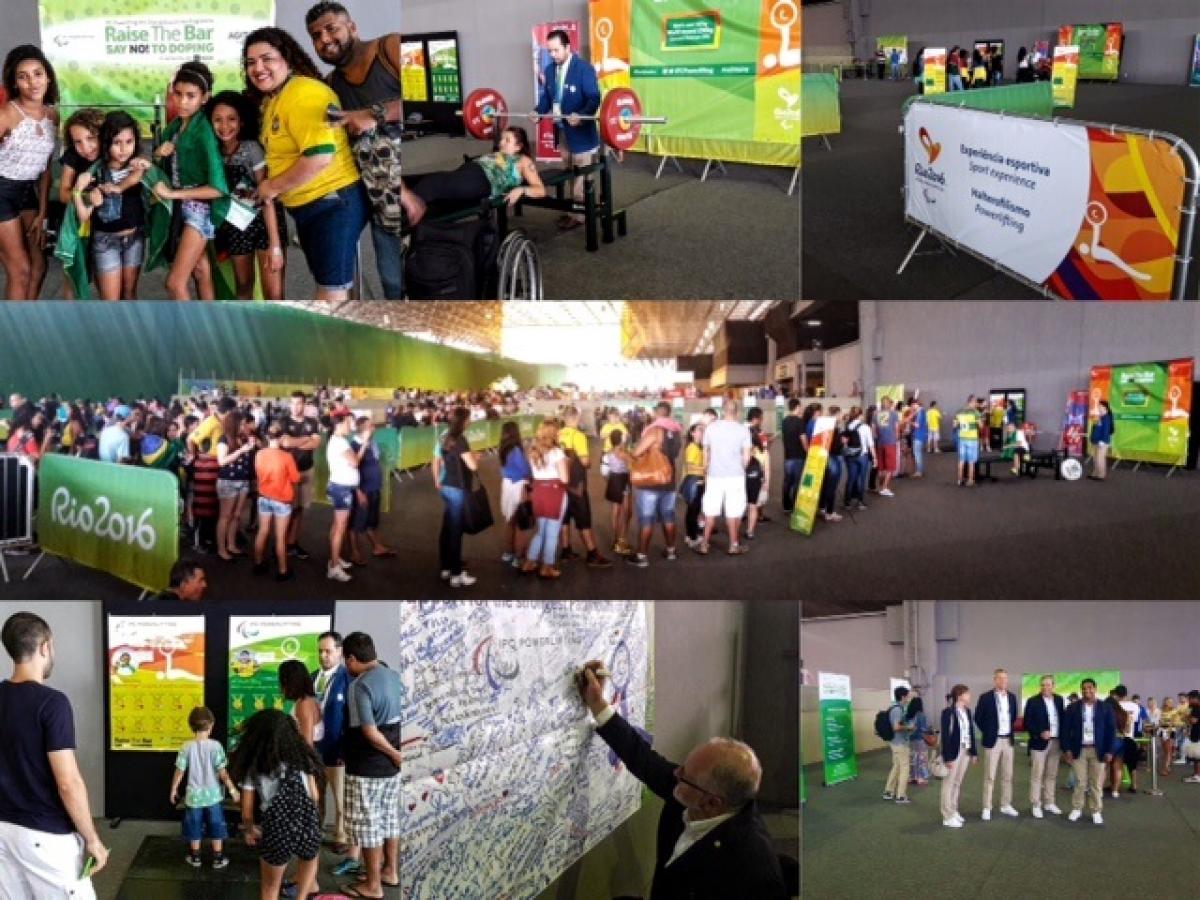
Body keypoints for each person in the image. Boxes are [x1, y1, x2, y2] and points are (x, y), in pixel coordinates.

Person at [576, 660, 787, 898]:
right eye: (683, 766)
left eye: (685, 775)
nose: (675, 774)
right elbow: (642, 758)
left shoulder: (752, 872)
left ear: (711, 803)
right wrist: (597, 703)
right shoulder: (694, 793)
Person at [243, 27, 368, 301]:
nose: (258, 68)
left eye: (267, 59)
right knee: (329, 282)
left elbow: (319, 156)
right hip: (311, 206)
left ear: (286, 58)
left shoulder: (303, 94)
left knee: (332, 291)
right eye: (251, 63)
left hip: (333, 203)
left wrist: (271, 186)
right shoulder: (276, 98)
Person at [0, 612, 108, 894]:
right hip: (45, 836)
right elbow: (68, 782)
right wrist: (92, 839)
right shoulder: (52, 703)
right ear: (45, 647)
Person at [305, 1, 404, 299]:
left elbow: (433, 99)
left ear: (352, 27)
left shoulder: (391, 46)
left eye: (331, 28)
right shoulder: (331, 84)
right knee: (393, 283)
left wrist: (372, 114)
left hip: (419, 177)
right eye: (316, 35)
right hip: (378, 192)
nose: (324, 39)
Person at [151, 61, 231, 300]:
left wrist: (173, 194)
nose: (182, 102)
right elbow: (165, 165)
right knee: (201, 270)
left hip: (198, 210)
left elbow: (218, 188)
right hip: (180, 207)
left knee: (175, 284)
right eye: (178, 94)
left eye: (190, 96)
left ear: (204, 98)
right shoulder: (176, 127)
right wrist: (157, 154)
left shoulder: (203, 131)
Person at [230, 710, 324, 900]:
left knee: (270, 889)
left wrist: (250, 830)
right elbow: (314, 796)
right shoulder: (304, 759)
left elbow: (247, 812)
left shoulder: (256, 766)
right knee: (309, 860)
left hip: (277, 830)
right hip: (308, 825)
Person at [206, 90, 286, 300]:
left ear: (241, 122)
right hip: (235, 226)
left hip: (264, 223)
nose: (225, 126)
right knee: (242, 286)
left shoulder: (252, 149)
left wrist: (275, 245)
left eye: (231, 119)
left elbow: (267, 196)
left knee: (274, 293)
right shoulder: (212, 151)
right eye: (218, 120)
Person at [341, 632, 401, 897]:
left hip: (368, 766)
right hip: (392, 768)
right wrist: (397, 755)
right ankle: (390, 871)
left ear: (352, 658)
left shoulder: (359, 685)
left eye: (346, 661)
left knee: (368, 825)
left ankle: (373, 885)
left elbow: (368, 731)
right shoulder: (395, 676)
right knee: (389, 819)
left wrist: (392, 753)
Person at [70, 111, 151, 300]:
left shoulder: (137, 166)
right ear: (107, 143)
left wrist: (140, 166)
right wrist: (78, 192)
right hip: (106, 242)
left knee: (130, 293)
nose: (123, 149)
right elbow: (83, 215)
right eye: (116, 143)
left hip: (134, 238)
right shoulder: (96, 172)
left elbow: (148, 171)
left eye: (129, 142)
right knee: (111, 301)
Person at [0, 46, 58, 300]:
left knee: (39, 266)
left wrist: (43, 210)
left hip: (29, 194)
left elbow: (46, 168)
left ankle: (28, 320)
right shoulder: (7, 114)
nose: (32, 82)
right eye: (23, 76)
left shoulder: (53, 115)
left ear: (48, 77)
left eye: (37, 73)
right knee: (19, 269)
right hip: (2, 191)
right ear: (15, 82)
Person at [534, 28, 602, 232]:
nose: (553, 55)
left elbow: (594, 98)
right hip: (562, 131)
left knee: (582, 176)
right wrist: (537, 111)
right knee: (569, 173)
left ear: (567, 47)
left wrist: (581, 115)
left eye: (556, 50)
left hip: (582, 134)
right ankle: (576, 210)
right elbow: (547, 98)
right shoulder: (548, 70)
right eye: (550, 51)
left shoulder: (584, 68)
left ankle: (580, 215)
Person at [408, 126, 547, 216]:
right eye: (502, 139)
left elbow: (540, 190)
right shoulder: (499, 154)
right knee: (416, 180)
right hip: (468, 172)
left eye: (507, 140)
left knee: (433, 184)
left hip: (481, 180)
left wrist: (521, 190)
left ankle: (404, 217)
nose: (502, 143)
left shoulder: (523, 161)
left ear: (519, 146)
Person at [170, 706, 240, 869]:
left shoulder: (186, 746)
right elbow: (223, 773)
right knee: (216, 825)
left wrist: (173, 789)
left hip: (193, 796)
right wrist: (233, 790)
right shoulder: (216, 746)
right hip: (214, 796)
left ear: (191, 725)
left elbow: (179, 771)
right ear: (211, 725)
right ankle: (218, 857)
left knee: (194, 825)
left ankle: (195, 857)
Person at [312, 632, 352, 857]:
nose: (323, 656)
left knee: (340, 797)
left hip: (337, 749)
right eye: (320, 651)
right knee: (315, 795)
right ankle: (315, 831)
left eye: (328, 651)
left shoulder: (348, 679)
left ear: (339, 652)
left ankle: (341, 835)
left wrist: (346, 748)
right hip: (314, 749)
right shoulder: (311, 678)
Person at [628, 401, 682, 566]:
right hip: (669, 479)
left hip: (650, 480)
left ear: (657, 413)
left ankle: (642, 556)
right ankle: (671, 551)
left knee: (647, 519)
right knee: (668, 517)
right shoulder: (675, 431)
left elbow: (636, 452)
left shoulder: (654, 430)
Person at [431, 406, 479, 587]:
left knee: (448, 528)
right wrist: (475, 457)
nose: (471, 421)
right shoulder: (461, 440)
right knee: (456, 531)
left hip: (446, 485)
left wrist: (436, 479)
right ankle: (456, 573)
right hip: (458, 487)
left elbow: (438, 459)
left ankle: (446, 567)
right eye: (469, 418)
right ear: (463, 421)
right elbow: (472, 466)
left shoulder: (444, 437)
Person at [557, 406, 611, 567]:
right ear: (575, 418)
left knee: (564, 518)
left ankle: (565, 550)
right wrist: (590, 463)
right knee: (583, 519)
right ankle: (592, 553)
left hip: (560, 483)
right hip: (576, 484)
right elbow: (585, 461)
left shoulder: (558, 434)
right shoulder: (578, 436)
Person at [699, 399, 752, 555]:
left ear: (722, 411)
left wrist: (707, 468)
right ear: (737, 411)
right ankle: (733, 545)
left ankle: (704, 544)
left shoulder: (711, 428)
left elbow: (705, 452)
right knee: (733, 511)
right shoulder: (743, 430)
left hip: (715, 475)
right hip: (735, 476)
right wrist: (742, 466)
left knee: (710, 511)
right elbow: (746, 458)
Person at [1061, 677, 1116, 824]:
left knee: (1096, 783)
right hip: (1079, 750)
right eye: (1084, 688)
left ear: (1095, 689)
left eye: (1090, 688)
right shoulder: (1073, 708)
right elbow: (1065, 730)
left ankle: (1096, 810)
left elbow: (1111, 731)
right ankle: (1077, 808)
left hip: (1098, 750)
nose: (1087, 691)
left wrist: (1109, 751)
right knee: (1080, 782)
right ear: (1081, 690)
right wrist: (1066, 749)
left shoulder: (1105, 707)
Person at [276, 391, 322, 560]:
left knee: (300, 509)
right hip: (288, 472)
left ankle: (292, 544)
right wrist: (305, 440)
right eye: (293, 403)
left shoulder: (312, 422)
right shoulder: (284, 422)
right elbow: (285, 443)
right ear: (290, 404)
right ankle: (281, 545)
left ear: (305, 405)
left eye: (299, 403)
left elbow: (316, 443)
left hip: (307, 469)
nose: (295, 407)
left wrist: (296, 442)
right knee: (287, 509)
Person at [523, 419, 570, 579]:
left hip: (538, 491)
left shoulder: (533, 451)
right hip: (554, 492)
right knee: (552, 533)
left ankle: (530, 561)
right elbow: (564, 478)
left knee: (541, 531)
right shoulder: (557, 453)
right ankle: (547, 567)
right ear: (553, 434)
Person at [253, 423, 300, 581]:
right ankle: (283, 571)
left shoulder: (259, 454)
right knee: (280, 537)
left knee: (263, 531)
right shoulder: (287, 457)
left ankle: (258, 563)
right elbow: (295, 478)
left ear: (267, 436)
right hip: (281, 501)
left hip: (264, 497)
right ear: (282, 437)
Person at [348, 416, 394, 565]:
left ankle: (377, 547)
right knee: (355, 524)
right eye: (370, 426)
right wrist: (358, 492)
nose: (374, 427)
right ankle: (355, 553)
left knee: (371, 521)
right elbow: (352, 469)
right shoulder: (354, 445)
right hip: (363, 490)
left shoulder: (372, 443)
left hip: (374, 488)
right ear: (364, 429)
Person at [976, 668, 1019, 820]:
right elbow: (978, 718)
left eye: (1005, 678)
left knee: (1008, 775)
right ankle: (987, 807)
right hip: (992, 741)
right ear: (994, 680)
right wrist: (988, 732)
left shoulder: (1012, 697)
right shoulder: (985, 697)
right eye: (1000, 678)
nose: (1003, 681)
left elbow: (1013, 717)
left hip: (1008, 740)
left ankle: (1006, 804)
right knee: (990, 776)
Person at [215, 409, 256, 562]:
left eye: (245, 424)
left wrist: (250, 446)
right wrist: (241, 450)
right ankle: (221, 549)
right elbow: (222, 461)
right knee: (225, 516)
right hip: (228, 481)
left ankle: (231, 545)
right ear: (234, 424)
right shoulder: (224, 439)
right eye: (242, 424)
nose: (244, 426)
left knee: (236, 516)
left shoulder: (243, 438)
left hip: (243, 481)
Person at [1023, 674, 1065, 818]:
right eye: (1043, 685)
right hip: (1039, 743)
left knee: (1052, 775)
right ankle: (1036, 804)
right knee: (1037, 775)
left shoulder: (1059, 700)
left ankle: (1049, 802)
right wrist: (1039, 733)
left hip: (1056, 742)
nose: (1045, 687)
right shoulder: (1032, 701)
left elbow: (1062, 720)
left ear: (1053, 686)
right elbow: (1027, 723)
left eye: (1048, 685)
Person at [940, 684, 978, 828]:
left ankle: (954, 810)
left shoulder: (967, 711)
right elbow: (945, 736)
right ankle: (947, 815)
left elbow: (971, 733)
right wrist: (947, 757)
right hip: (953, 752)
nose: (970, 696)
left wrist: (973, 752)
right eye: (967, 694)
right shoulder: (948, 712)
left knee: (957, 782)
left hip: (965, 751)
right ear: (960, 695)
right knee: (948, 784)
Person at [498, 420, 533, 567]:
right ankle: (518, 556)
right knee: (521, 523)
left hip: (506, 485)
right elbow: (525, 470)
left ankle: (508, 552)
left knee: (510, 521)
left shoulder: (503, 449)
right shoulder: (516, 450)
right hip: (518, 486)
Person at [601, 427, 633, 557]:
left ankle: (617, 539)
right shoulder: (625, 454)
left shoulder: (607, 454)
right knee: (627, 512)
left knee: (616, 511)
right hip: (624, 481)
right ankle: (622, 539)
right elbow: (633, 468)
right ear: (621, 440)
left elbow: (604, 472)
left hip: (613, 480)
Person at [883, 685, 912, 804]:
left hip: (895, 743)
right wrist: (908, 727)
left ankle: (889, 791)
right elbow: (896, 727)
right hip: (899, 743)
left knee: (897, 766)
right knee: (905, 767)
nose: (908, 698)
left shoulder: (895, 708)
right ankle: (900, 795)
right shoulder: (897, 709)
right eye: (907, 696)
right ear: (902, 696)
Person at [679, 421, 706, 548]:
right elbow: (690, 467)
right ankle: (692, 537)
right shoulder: (692, 448)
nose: (702, 432)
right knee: (693, 511)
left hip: (697, 482)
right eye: (700, 430)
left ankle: (690, 535)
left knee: (693, 511)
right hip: (694, 483)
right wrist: (706, 471)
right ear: (692, 433)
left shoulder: (698, 447)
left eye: (703, 430)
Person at [1113, 684, 1141, 796]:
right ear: (1126, 694)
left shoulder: (1115, 706)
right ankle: (1134, 785)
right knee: (1132, 764)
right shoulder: (1135, 706)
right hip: (1130, 737)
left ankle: (1115, 787)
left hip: (1118, 738)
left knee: (1116, 765)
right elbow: (1135, 721)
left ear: (1115, 694)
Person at [780, 398, 804, 512]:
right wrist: (808, 450)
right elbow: (803, 439)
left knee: (787, 481)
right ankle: (795, 505)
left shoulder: (784, 421)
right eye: (801, 407)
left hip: (788, 456)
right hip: (798, 456)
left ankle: (786, 505)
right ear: (797, 407)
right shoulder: (800, 421)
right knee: (797, 482)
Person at [873, 397, 898, 497]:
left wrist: (876, 440)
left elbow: (873, 431)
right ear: (889, 404)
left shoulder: (875, 414)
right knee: (890, 467)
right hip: (890, 442)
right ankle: (884, 488)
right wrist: (896, 440)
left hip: (880, 443)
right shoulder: (893, 414)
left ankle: (880, 487)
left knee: (881, 467)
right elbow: (896, 429)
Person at [954, 395, 980, 486]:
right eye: (976, 401)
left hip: (962, 439)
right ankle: (970, 480)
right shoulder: (976, 412)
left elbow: (954, 425)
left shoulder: (959, 412)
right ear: (972, 401)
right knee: (971, 461)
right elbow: (981, 426)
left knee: (961, 460)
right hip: (972, 439)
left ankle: (959, 480)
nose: (977, 403)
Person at [906, 696, 931, 785]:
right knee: (921, 759)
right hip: (920, 740)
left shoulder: (908, 715)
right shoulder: (921, 715)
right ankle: (920, 778)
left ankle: (911, 777)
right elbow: (923, 729)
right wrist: (930, 731)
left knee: (912, 758)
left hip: (910, 740)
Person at [1089, 399, 1114, 481]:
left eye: (1100, 406)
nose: (1098, 407)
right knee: (1095, 459)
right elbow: (1095, 429)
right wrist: (1092, 438)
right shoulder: (1099, 417)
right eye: (1098, 406)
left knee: (1100, 459)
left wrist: (1102, 441)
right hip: (1095, 441)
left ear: (1105, 408)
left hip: (1102, 442)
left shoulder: (1106, 418)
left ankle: (1101, 475)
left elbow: (1106, 431)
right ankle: (1095, 473)